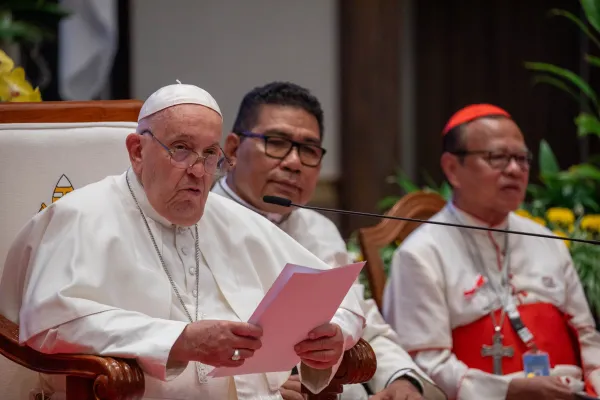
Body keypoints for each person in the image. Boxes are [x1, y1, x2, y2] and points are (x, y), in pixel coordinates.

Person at [0, 83, 367, 400]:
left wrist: (333, 336)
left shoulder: (231, 220)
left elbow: (340, 296)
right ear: (137, 151)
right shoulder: (81, 215)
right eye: (181, 148)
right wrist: (180, 340)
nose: (197, 170)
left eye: (210, 154)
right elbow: (50, 320)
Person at [211, 81, 447, 400]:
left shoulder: (318, 229)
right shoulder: (199, 223)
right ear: (235, 149)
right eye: (277, 143)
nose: (293, 162)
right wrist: (263, 386)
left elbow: (367, 322)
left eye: (308, 150)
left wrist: (402, 381)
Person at [382, 104, 600, 399]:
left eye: (522, 159)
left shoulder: (546, 240)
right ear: (452, 168)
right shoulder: (421, 254)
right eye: (497, 157)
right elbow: (423, 365)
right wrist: (507, 390)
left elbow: (588, 339)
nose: (514, 169)